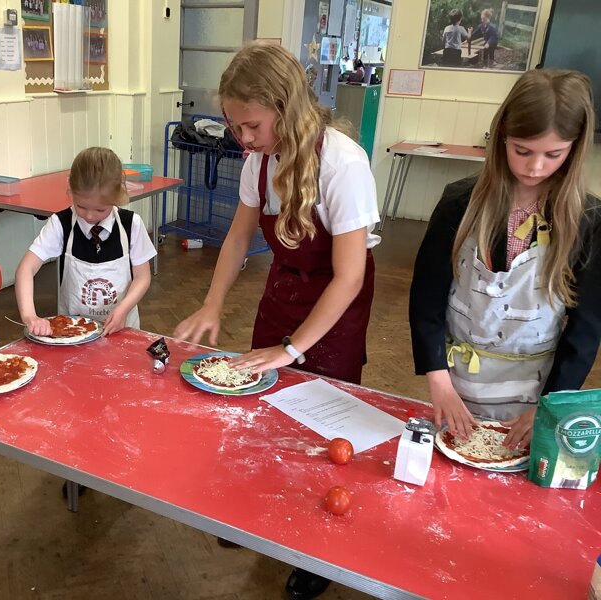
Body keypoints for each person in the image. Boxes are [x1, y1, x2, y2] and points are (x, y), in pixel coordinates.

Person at [173, 41, 380, 600]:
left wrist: (293, 348)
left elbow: (348, 277)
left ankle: (315, 549)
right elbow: (240, 234)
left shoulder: (343, 163)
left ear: (284, 107)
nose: (243, 139)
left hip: (335, 304)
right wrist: (214, 302)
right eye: (235, 126)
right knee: (268, 408)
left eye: (252, 125)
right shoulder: (260, 160)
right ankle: (262, 517)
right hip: (284, 291)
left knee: (322, 421)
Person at [409, 69, 601, 448]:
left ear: (575, 148)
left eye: (553, 154)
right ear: (501, 138)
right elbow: (426, 301)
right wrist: (438, 379)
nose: (535, 167)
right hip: (456, 384)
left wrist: (549, 404)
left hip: (534, 393)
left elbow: (585, 331)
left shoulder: (588, 222)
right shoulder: (459, 205)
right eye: (522, 151)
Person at [15, 146, 156, 336]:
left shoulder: (131, 225)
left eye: (100, 210)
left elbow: (142, 276)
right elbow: (26, 268)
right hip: (72, 332)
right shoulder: (61, 224)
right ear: (70, 190)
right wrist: (30, 316)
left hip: (121, 329)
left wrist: (123, 309)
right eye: (80, 206)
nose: (89, 215)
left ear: (117, 197)